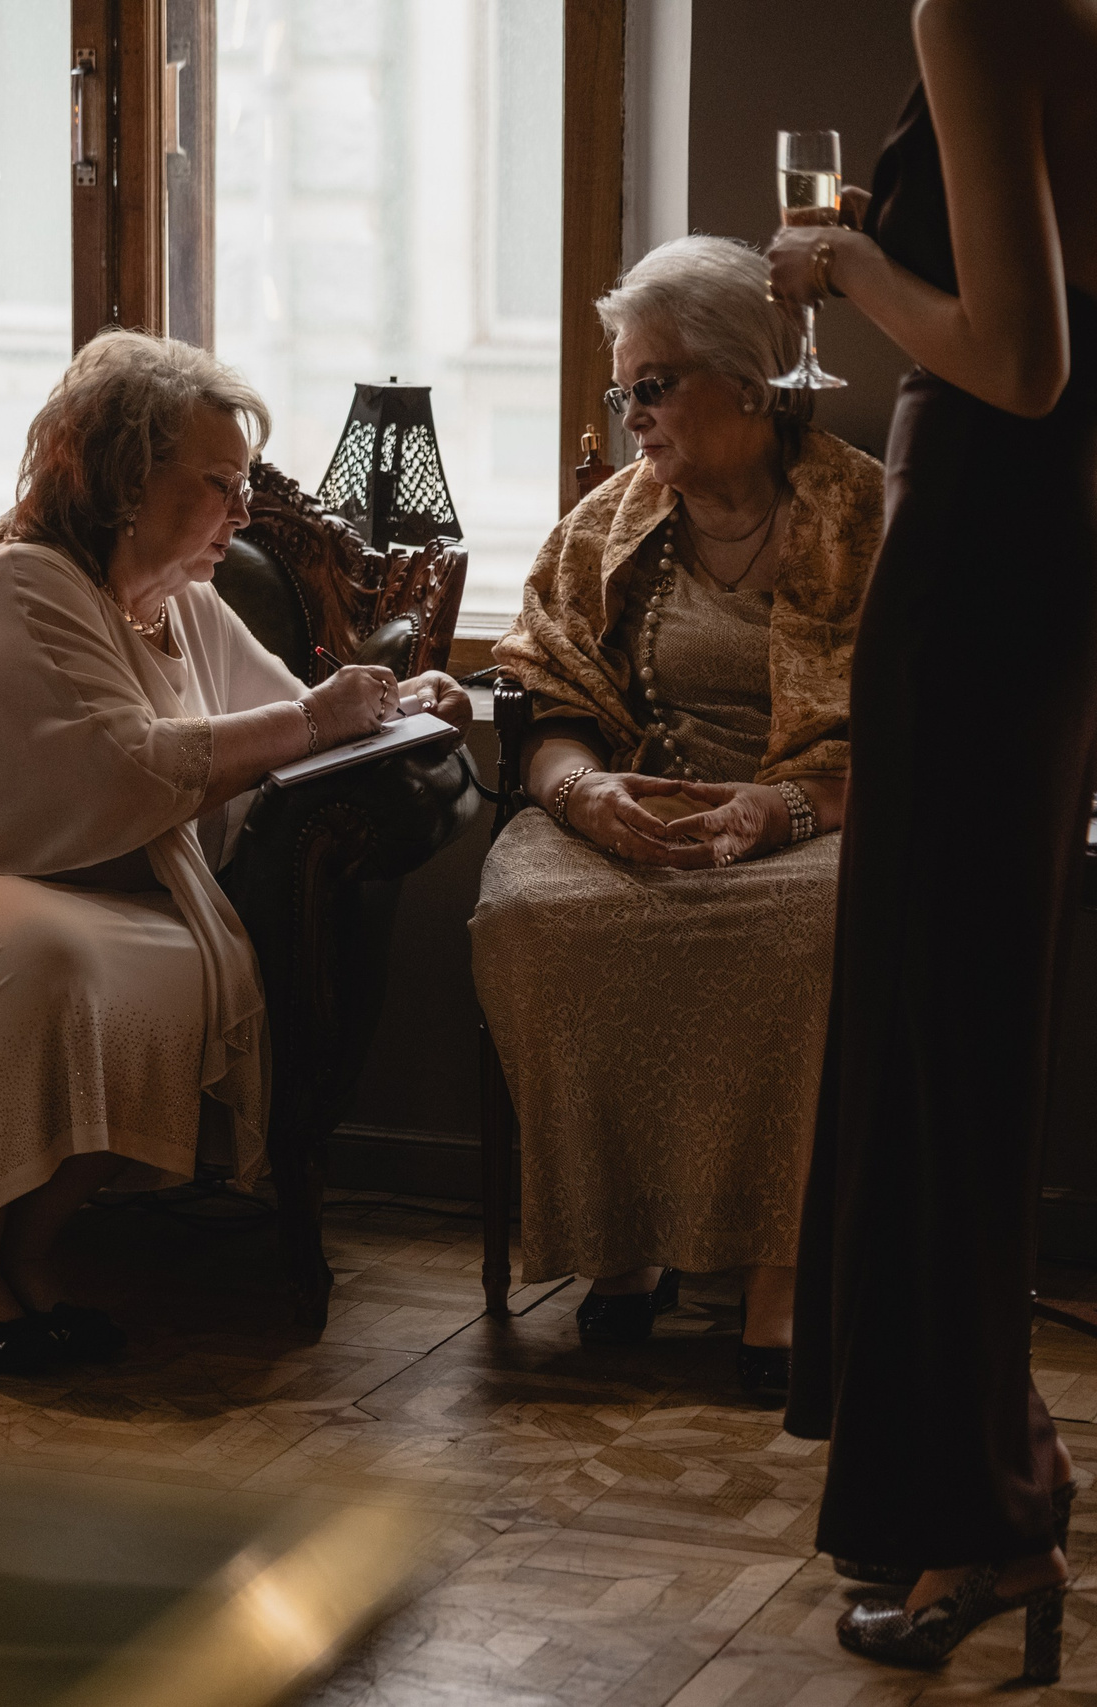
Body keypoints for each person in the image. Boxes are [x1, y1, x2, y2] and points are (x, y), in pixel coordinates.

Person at [0, 331, 469, 1375]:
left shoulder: (182, 602)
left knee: (178, 964)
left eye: (245, 488)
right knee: (57, 967)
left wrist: (407, 699)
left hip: (48, 888)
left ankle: (26, 1251)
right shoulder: (23, 585)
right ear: (123, 481)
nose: (241, 516)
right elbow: (136, 765)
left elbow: (290, 717)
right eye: (218, 485)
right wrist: (324, 717)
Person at [767, 0, 1097, 1675]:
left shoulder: (980, 8)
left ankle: (979, 1513)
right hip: (1055, 556)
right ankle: (992, 1490)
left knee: (933, 1046)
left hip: (979, 546)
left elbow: (1019, 361)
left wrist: (839, 267)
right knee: (974, 1034)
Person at [470, 235, 881, 1399]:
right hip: (631, 810)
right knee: (533, 915)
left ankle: (778, 1274)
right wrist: (580, 792)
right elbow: (545, 694)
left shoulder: (861, 516)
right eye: (624, 387)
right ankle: (621, 1245)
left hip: (816, 824)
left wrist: (783, 808)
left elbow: (923, 731)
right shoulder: (612, 520)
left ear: (747, 387)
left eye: (652, 384)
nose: (631, 412)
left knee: (806, 939)